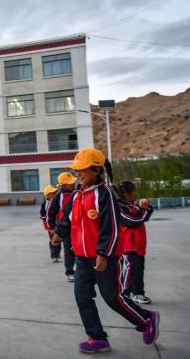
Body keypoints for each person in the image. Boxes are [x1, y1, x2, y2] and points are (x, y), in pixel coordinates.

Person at [52, 148, 159, 354]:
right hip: (82, 259)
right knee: (82, 296)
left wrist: (103, 253)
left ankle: (146, 320)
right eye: (76, 170)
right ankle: (97, 338)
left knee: (113, 298)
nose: (78, 174)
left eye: (82, 169)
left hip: (105, 258)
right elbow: (67, 219)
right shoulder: (76, 196)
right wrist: (58, 234)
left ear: (95, 170)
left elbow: (109, 227)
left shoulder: (105, 194)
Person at [116, 181, 154, 305]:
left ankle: (136, 292)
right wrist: (144, 210)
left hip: (138, 246)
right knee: (132, 270)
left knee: (138, 270)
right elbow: (133, 220)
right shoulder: (120, 207)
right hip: (128, 246)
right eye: (134, 191)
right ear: (127, 195)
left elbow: (144, 217)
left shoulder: (133, 206)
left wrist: (147, 208)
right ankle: (130, 293)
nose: (137, 193)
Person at [47, 172, 78, 281]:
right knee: (68, 251)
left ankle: (82, 271)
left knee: (79, 250)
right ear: (63, 185)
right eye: (70, 183)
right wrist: (51, 227)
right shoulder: (58, 197)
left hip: (79, 228)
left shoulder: (78, 193)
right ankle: (70, 272)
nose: (73, 184)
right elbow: (51, 213)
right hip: (65, 229)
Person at [40, 185, 61, 263]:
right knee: (53, 240)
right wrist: (47, 224)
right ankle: (54, 255)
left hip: (59, 225)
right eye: (53, 193)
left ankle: (57, 252)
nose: (55, 194)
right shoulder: (44, 204)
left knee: (59, 240)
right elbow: (42, 214)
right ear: (47, 195)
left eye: (55, 192)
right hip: (50, 226)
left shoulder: (58, 201)